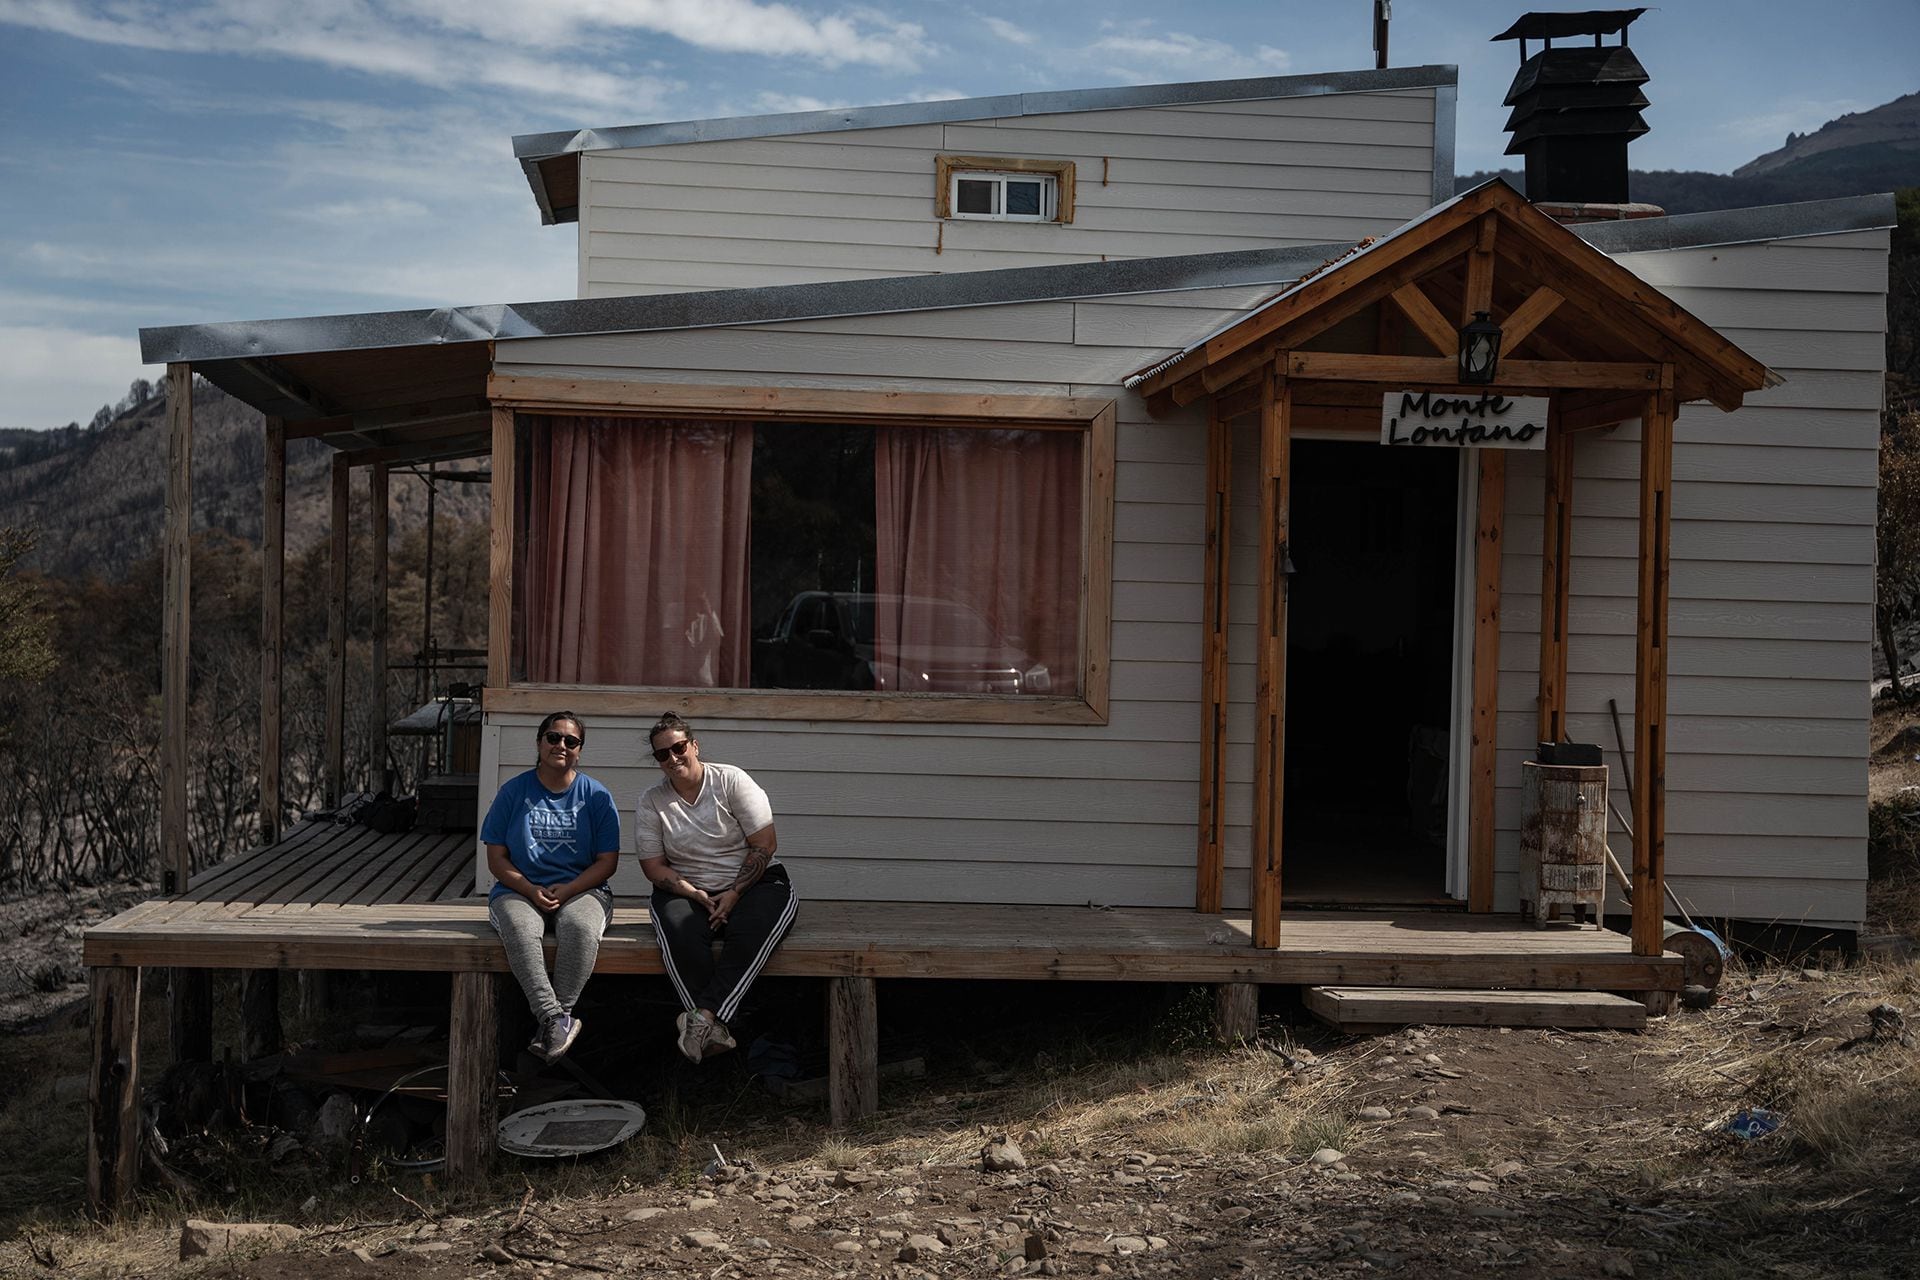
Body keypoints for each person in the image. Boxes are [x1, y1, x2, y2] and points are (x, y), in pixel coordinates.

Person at [636, 712, 798, 1063]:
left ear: (694, 745)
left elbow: (764, 844)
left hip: (754, 883)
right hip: (689, 889)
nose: (673, 758)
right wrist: (693, 893)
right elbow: (653, 867)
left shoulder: (731, 780)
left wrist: (735, 893)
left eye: (679, 747)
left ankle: (704, 1017)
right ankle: (718, 1028)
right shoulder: (652, 800)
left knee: (749, 932)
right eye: (662, 754)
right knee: (681, 934)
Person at [482, 711, 620, 1063]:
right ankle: (553, 1018)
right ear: (539, 742)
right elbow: (497, 858)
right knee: (520, 926)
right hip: (519, 889)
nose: (561, 745)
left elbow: (607, 862)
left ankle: (560, 1017)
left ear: (579, 750)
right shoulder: (513, 792)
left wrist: (571, 888)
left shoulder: (597, 796)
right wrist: (528, 889)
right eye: (553, 737)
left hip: (584, 889)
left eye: (570, 741)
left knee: (579, 926)